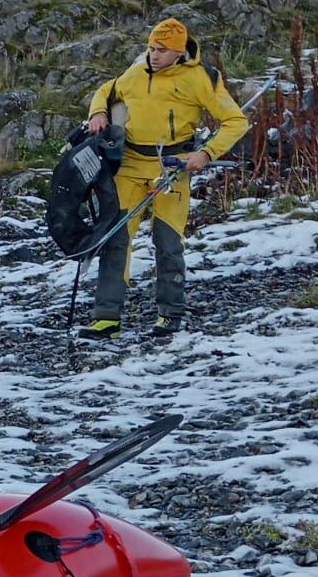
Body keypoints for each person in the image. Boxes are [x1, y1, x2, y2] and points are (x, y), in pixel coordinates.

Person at [80, 17, 250, 339]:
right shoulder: (137, 71)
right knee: (116, 239)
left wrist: (206, 154)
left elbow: (236, 121)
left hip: (172, 167)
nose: (153, 55)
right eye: (150, 48)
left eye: (161, 51)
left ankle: (169, 314)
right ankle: (106, 317)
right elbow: (106, 90)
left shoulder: (200, 79)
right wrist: (98, 113)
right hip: (130, 165)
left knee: (167, 242)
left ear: (178, 52)